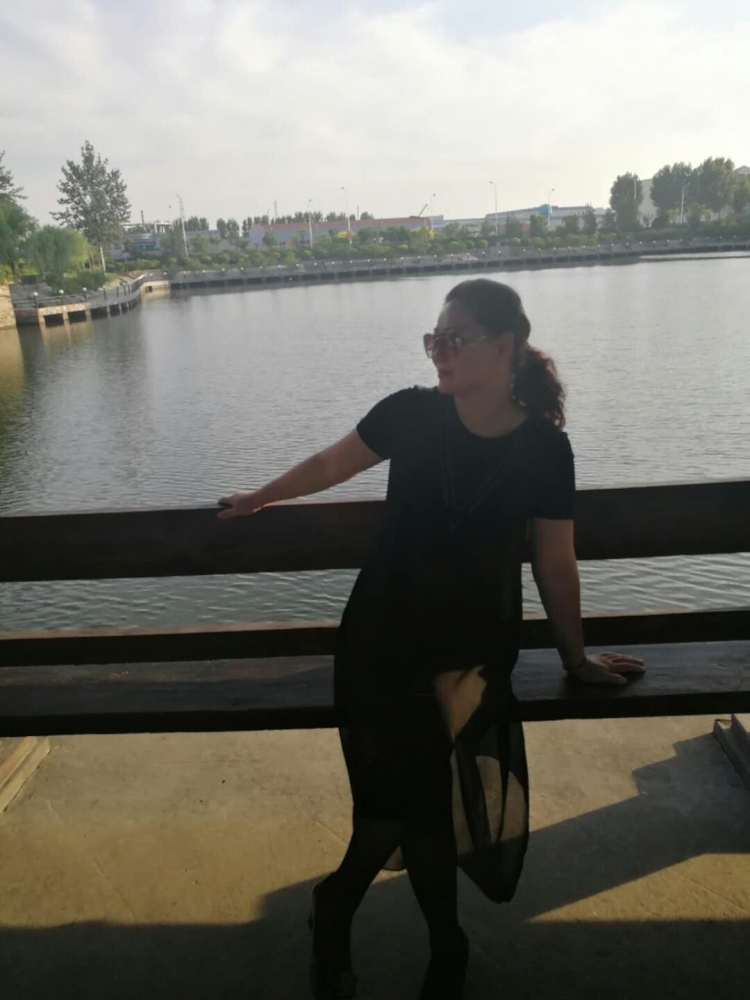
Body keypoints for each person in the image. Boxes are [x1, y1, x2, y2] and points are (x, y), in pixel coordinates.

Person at [218, 278, 645, 1000]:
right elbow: (331, 464)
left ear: (503, 348)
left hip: (472, 649)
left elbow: (555, 561)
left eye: (454, 339)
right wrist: (261, 496)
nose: (438, 352)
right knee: (418, 792)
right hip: (383, 638)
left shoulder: (546, 449)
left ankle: (348, 908)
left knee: (409, 795)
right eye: (433, 340)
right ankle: (440, 944)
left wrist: (575, 658)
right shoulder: (410, 413)